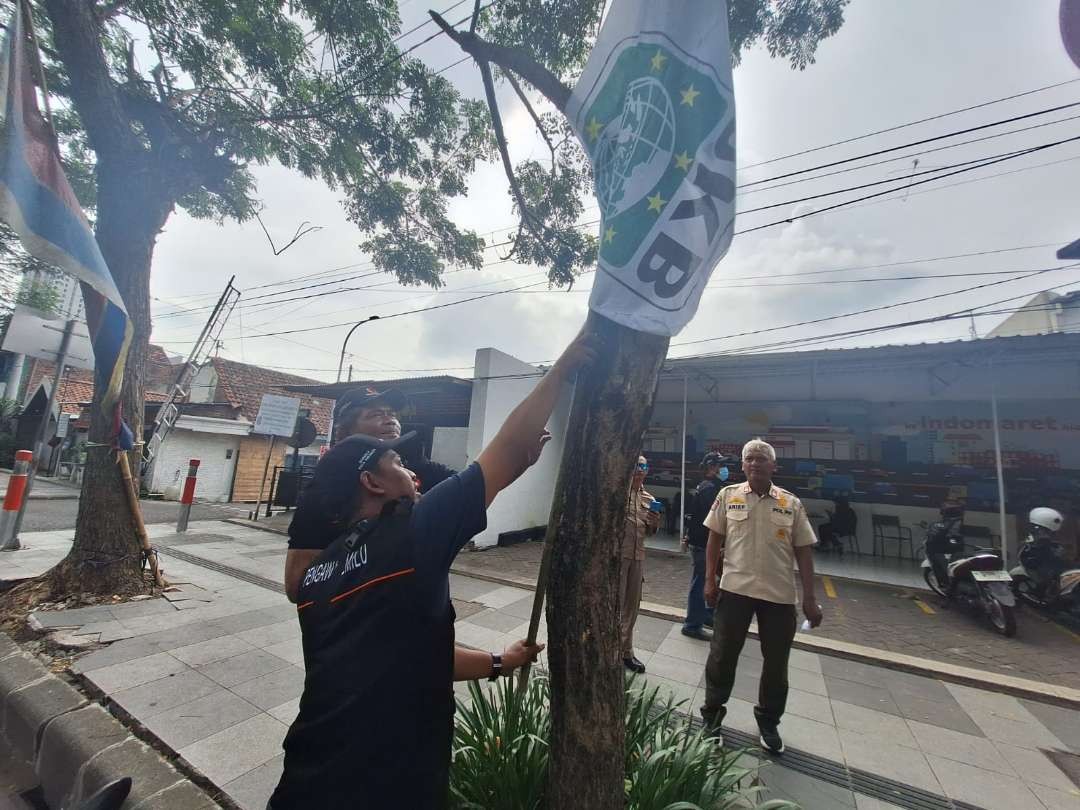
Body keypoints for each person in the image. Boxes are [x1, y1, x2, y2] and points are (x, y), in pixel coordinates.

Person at [268, 331, 595, 809]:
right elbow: (508, 450)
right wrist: (562, 368)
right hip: (388, 782)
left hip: (308, 776)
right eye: (398, 462)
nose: (414, 473)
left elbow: (413, 656)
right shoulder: (410, 535)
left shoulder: (318, 576)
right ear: (371, 483)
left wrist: (501, 662)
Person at [700, 438, 823, 755]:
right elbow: (714, 541)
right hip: (735, 590)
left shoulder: (790, 503)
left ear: (774, 466)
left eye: (761, 459)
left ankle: (768, 722)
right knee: (722, 656)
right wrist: (709, 582)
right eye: (749, 459)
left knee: (776, 665)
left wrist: (809, 598)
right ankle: (712, 718)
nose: (755, 463)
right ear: (742, 465)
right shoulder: (728, 496)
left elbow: (804, 553)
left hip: (778, 596)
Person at [283, 386, 455, 602]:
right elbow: (296, 586)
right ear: (345, 431)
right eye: (375, 414)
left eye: (392, 414)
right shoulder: (325, 488)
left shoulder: (415, 465)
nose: (390, 419)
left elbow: (465, 488)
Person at [619, 454, 660, 674]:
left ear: (647, 470)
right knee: (614, 607)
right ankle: (609, 650)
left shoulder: (649, 498)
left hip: (638, 558)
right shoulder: (617, 493)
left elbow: (650, 532)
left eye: (643, 465)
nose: (639, 469)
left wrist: (654, 523)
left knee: (631, 608)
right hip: (617, 559)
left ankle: (626, 652)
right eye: (636, 464)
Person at [681, 452, 726, 641]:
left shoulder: (708, 486)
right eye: (720, 465)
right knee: (701, 583)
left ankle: (706, 615)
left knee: (712, 580)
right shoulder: (710, 489)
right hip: (703, 543)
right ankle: (692, 624)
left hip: (703, 542)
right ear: (712, 467)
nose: (724, 469)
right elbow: (714, 519)